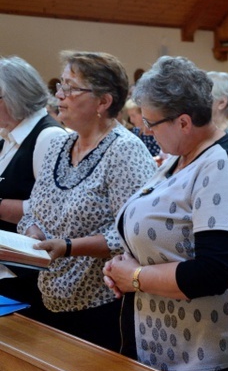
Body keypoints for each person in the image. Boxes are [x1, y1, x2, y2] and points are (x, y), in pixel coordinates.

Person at [102, 56, 228, 371]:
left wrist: (134, 276)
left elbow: (214, 271)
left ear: (184, 122)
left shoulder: (222, 166)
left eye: (151, 122)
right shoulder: (180, 157)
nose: (144, 129)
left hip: (200, 354)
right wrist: (122, 267)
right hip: (159, 337)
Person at [17, 51, 156, 351]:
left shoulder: (125, 151)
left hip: (101, 307)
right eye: (60, 87)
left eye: (70, 88)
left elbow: (134, 234)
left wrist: (68, 248)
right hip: (49, 295)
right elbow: (33, 210)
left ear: (103, 102)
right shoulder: (59, 144)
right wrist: (33, 234)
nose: (59, 96)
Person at [0, 56, 66, 318]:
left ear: (15, 98)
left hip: (28, 273)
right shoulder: (8, 135)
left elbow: (48, 209)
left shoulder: (49, 136)